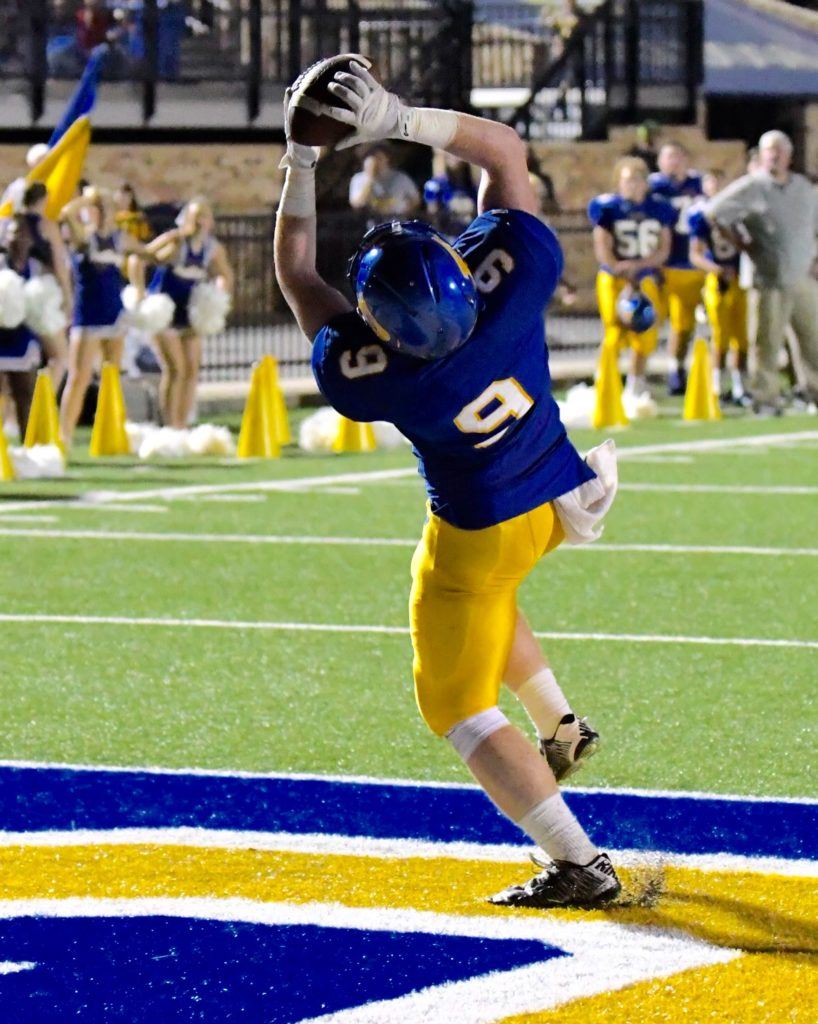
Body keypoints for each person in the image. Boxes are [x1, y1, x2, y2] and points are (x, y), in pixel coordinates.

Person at [275, 55, 622, 909]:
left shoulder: (383, 374)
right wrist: (398, 118)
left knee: (457, 706)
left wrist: (299, 161)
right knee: (487, 604)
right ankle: (559, 722)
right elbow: (504, 151)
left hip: (482, 529)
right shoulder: (512, 284)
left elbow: (296, 275)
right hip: (557, 493)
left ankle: (578, 861)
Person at [706, 130, 818, 415]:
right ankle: (765, 399)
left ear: (790, 156)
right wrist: (741, 242)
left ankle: (812, 392)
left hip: (802, 276)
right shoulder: (753, 186)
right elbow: (714, 211)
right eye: (770, 150)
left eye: (780, 150)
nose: (775, 155)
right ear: (761, 154)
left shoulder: (804, 188)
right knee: (766, 343)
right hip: (768, 277)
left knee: (812, 340)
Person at [58, 186, 144, 448]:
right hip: (88, 317)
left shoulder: (121, 237)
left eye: (106, 206)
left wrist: (175, 237)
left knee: (111, 377)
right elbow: (64, 214)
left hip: (114, 314)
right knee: (79, 377)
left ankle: (112, 431)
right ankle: (64, 435)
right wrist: (86, 200)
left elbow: (146, 252)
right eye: (98, 207)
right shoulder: (84, 237)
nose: (104, 212)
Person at [588, 157, 674, 396]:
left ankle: (636, 385)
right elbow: (601, 244)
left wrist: (639, 265)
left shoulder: (658, 207)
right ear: (618, 182)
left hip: (645, 277)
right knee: (614, 333)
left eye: (638, 180)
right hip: (614, 277)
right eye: (628, 180)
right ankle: (604, 382)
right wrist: (618, 266)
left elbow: (664, 248)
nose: (633, 185)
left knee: (645, 333)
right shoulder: (608, 207)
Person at [145, 196, 233, 428]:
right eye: (196, 217)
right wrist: (138, 289)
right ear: (186, 220)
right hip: (164, 312)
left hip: (189, 313)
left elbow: (225, 275)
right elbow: (140, 257)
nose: (200, 222)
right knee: (175, 369)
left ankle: (182, 424)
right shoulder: (175, 240)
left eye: (205, 217)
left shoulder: (213, 248)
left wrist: (218, 295)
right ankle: (168, 424)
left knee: (191, 369)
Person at [648, 142, 706, 394]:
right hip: (655, 265)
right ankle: (635, 376)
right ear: (660, 162)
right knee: (647, 323)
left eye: (677, 156)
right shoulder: (651, 186)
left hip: (686, 263)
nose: (673, 162)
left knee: (683, 325)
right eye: (668, 157)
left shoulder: (699, 184)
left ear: (686, 159)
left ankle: (676, 369)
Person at [688, 170, 750, 405]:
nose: (715, 186)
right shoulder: (700, 215)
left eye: (719, 181)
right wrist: (717, 270)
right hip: (718, 281)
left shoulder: (735, 211)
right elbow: (695, 254)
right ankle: (716, 386)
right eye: (711, 182)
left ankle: (739, 386)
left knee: (742, 337)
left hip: (739, 279)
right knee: (720, 336)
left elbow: (747, 244)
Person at [18, 182, 71, 389]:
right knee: (59, 357)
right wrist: (67, 297)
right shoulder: (46, 225)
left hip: (10, 298)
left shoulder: (7, 222)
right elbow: (59, 263)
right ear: (43, 200)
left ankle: (12, 418)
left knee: (15, 364)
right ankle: (41, 408)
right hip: (39, 298)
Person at [0, 214, 42, 437]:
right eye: (13, 232)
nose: (18, 238)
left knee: (24, 393)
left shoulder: (36, 267)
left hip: (23, 336)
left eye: (23, 233)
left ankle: (28, 447)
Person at [348, 143, 421, 219]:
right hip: (372, 224)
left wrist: (405, 212)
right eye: (373, 158)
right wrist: (370, 178)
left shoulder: (400, 177)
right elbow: (357, 204)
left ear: (387, 159)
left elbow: (415, 199)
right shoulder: (358, 179)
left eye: (379, 158)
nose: (377, 163)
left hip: (397, 222)